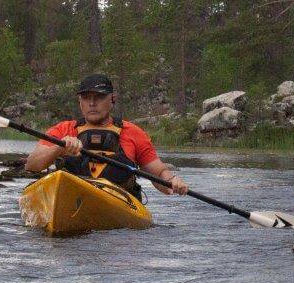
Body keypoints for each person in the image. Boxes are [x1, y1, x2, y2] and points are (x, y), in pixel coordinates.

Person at [23, 73, 188, 199]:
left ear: (112, 99)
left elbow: (159, 174)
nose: (92, 103)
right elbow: (32, 165)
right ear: (80, 101)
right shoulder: (63, 129)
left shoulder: (133, 133)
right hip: (71, 197)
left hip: (117, 201)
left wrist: (172, 182)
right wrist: (59, 148)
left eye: (99, 97)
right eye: (86, 98)